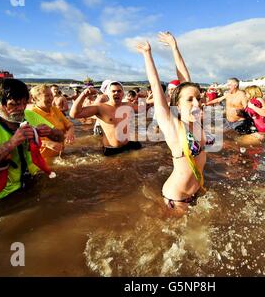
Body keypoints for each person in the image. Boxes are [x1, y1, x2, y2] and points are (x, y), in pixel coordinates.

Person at [137, 31, 207, 214]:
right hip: (177, 199)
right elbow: (154, 84)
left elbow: (185, 80)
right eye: (190, 100)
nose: (197, 103)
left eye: (198, 98)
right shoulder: (172, 125)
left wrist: (175, 48)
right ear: (178, 104)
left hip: (197, 190)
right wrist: (147, 54)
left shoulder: (197, 121)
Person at [70, 80, 142, 156]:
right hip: (111, 149)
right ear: (107, 93)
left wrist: (142, 98)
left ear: (123, 94)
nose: (116, 93)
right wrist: (83, 94)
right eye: (113, 91)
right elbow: (74, 114)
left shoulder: (128, 105)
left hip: (128, 145)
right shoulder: (100, 107)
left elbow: (144, 110)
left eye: (119, 91)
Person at [30, 85, 75, 161]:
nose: (51, 98)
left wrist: (70, 133)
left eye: (51, 95)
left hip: (60, 156)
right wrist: (46, 143)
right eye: (47, 96)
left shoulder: (55, 109)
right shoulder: (32, 114)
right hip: (42, 159)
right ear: (36, 98)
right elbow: (26, 140)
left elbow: (70, 125)